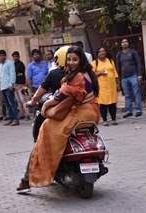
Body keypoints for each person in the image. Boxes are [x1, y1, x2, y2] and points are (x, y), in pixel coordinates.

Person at [16, 46, 100, 193]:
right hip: (92, 112)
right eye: (69, 59)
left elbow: (59, 97)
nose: (72, 62)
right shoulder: (88, 73)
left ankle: (35, 175)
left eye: (75, 59)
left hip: (82, 112)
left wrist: (44, 106)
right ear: (65, 60)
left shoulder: (73, 75)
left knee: (47, 130)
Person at [27, 46, 69, 142]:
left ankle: (38, 142)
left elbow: (39, 93)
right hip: (80, 108)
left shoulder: (54, 74)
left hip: (60, 106)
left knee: (40, 119)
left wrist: (33, 101)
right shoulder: (82, 73)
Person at [92, 47, 119, 126]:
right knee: (103, 104)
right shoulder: (95, 63)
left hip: (111, 86)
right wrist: (100, 73)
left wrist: (117, 83)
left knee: (112, 103)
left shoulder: (110, 61)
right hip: (102, 87)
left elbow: (115, 72)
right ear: (97, 53)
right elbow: (92, 75)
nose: (102, 53)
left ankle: (114, 119)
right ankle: (105, 120)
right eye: (100, 51)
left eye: (103, 51)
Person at [116, 38, 143, 118]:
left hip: (133, 75)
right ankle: (129, 111)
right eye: (123, 42)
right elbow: (118, 67)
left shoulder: (133, 52)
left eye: (126, 42)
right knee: (127, 95)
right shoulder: (119, 54)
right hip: (124, 78)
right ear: (121, 44)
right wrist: (118, 79)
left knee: (136, 93)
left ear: (128, 43)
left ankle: (138, 110)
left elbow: (138, 63)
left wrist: (139, 75)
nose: (124, 43)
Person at [0, 49, 20, 126]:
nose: (1, 58)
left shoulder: (10, 63)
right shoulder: (0, 65)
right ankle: (11, 118)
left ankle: (16, 119)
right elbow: (1, 76)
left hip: (9, 86)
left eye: (2, 56)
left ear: (4, 56)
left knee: (12, 103)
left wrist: (11, 84)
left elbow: (12, 74)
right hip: (3, 87)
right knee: (7, 104)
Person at [12, 51, 30, 120]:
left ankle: (27, 115)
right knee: (18, 101)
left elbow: (17, 72)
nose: (15, 58)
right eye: (14, 56)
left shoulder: (21, 64)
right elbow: (15, 73)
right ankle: (22, 114)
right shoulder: (13, 64)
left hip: (21, 85)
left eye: (16, 56)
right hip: (15, 84)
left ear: (19, 57)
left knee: (24, 100)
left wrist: (15, 74)